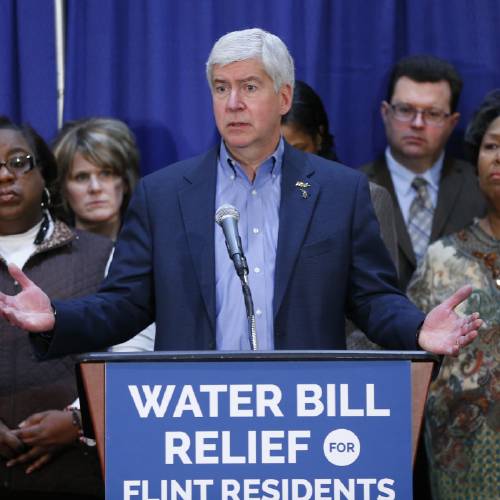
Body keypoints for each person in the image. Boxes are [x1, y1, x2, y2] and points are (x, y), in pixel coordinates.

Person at [0, 30, 481, 368]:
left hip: (305, 409)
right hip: (196, 416)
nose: (233, 103)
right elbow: (123, 306)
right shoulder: (165, 195)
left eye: (249, 87)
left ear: (284, 97)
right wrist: (57, 317)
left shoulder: (340, 191)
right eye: (221, 88)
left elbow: (373, 299)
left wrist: (417, 330)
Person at [0, 116, 112, 499]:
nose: (4, 176)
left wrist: (79, 419)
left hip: (78, 474)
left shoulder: (102, 256)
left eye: (18, 162)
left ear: (44, 175)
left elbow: (135, 355)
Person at [407, 90, 500, 499]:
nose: (498, 157)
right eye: (492, 146)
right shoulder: (441, 256)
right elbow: (406, 356)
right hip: (459, 458)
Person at [281, 80, 397, 349]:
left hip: (338, 374)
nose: (287, 163)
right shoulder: (237, 202)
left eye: (298, 149)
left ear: (319, 137)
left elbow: (378, 303)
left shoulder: (368, 198)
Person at [362, 55, 486, 290]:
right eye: (405, 109)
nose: (417, 123)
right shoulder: (352, 187)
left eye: (432, 113)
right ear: (385, 112)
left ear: (452, 122)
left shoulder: (479, 187)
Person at [52, 117, 140, 241]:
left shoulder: (153, 252)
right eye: (81, 177)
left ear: (125, 181)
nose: (95, 188)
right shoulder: (48, 257)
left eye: (106, 174)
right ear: (63, 188)